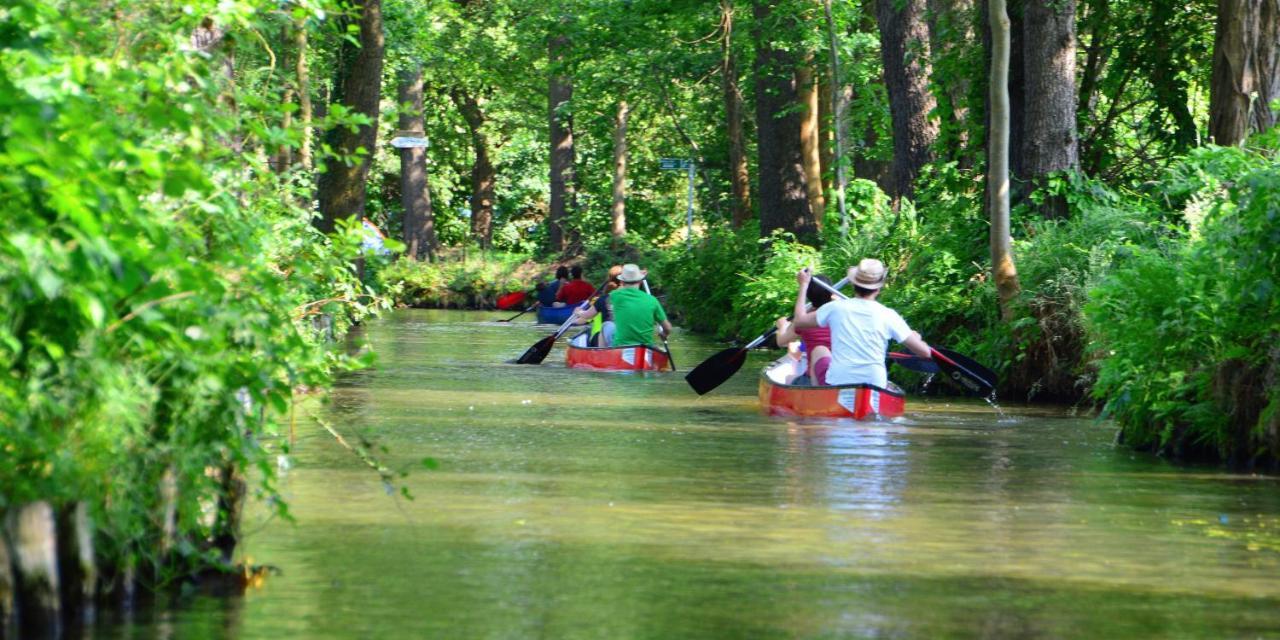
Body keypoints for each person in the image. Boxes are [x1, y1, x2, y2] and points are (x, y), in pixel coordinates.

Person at [792, 259, 932, 388]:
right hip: (874, 384)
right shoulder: (889, 315)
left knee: (819, 350)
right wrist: (917, 339)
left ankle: (819, 401)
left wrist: (803, 285)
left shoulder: (835, 307)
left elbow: (798, 322)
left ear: (853, 284)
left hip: (839, 382)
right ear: (879, 287)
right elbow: (925, 352)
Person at [773, 274, 835, 384]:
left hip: (813, 377)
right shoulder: (842, 314)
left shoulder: (803, 321)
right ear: (831, 293)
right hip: (839, 377)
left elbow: (781, 342)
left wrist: (782, 326)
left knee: (788, 378)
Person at [608, 263, 672, 347]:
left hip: (621, 348)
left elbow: (620, 289)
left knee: (605, 327)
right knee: (657, 348)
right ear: (640, 281)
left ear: (622, 282)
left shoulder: (615, 295)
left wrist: (629, 278)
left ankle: (600, 356)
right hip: (645, 348)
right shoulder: (652, 300)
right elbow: (668, 328)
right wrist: (664, 334)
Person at [573, 265, 623, 346]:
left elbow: (584, 318)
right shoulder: (631, 299)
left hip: (601, 338)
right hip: (624, 338)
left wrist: (578, 313)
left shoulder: (601, 299)